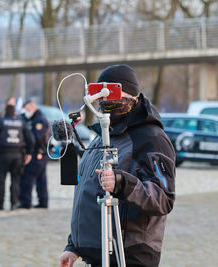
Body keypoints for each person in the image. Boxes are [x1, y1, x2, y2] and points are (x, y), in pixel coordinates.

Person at [59, 64, 176, 267]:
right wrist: (73, 246)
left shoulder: (151, 138)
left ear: (132, 98)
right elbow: (88, 193)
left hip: (129, 253)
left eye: (112, 97)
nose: (106, 103)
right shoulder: (103, 137)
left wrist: (122, 183)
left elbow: (163, 198)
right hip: (97, 253)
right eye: (101, 98)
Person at [0, 104, 34, 211]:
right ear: (14, 112)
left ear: (5, 112)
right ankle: (14, 203)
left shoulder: (0, 123)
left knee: (0, 181)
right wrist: (29, 153)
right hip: (18, 155)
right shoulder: (21, 123)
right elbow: (30, 139)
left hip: (3, 154)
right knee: (16, 180)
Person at [18, 100, 51, 209]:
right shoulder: (35, 118)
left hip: (39, 153)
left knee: (29, 176)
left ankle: (26, 202)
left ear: (33, 107)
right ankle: (43, 201)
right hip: (41, 153)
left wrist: (28, 148)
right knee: (41, 179)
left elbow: (36, 138)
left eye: (27, 108)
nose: (26, 111)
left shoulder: (39, 120)